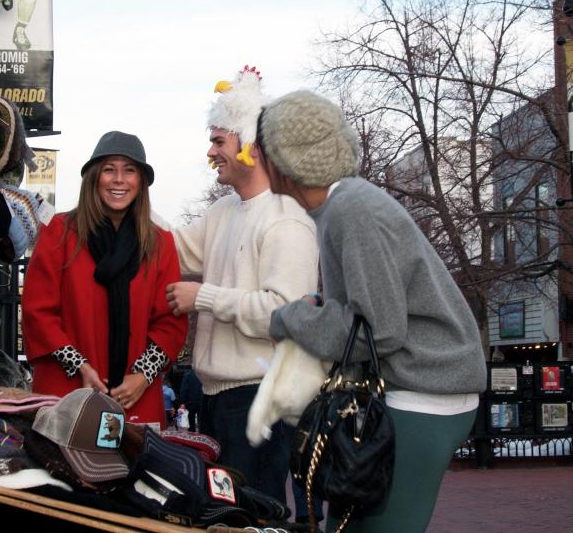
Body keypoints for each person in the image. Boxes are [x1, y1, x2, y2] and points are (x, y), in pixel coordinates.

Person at [256, 89, 487, 533]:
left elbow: (378, 332)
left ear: (281, 160)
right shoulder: (341, 205)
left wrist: (290, 318)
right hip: (417, 390)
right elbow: (375, 309)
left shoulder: (352, 210)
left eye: (260, 148)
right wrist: (324, 308)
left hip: (423, 394)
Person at [165, 66, 319, 505]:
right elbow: (170, 249)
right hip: (217, 399)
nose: (211, 151)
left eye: (219, 141)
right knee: (224, 511)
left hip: (259, 400)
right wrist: (131, 207)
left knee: (253, 512)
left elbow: (287, 314)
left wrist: (205, 298)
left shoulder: (287, 218)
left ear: (250, 146)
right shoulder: (223, 211)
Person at [22, 131, 187, 427]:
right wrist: (78, 365)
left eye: (130, 170)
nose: (119, 179)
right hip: (68, 388)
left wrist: (143, 375)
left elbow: (170, 322)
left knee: (132, 471)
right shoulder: (60, 232)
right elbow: (38, 311)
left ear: (141, 182)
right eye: (109, 169)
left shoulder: (160, 243)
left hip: (135, 396)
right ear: (94, 177)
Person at [178, 368, 203, 432]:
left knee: (191, 421)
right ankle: (202, 436)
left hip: (190, 402)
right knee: (202, 422)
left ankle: (192, 436)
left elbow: (183, 389)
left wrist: (182, 402)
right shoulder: (203, 375)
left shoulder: (188, 375)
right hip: (202, 400)